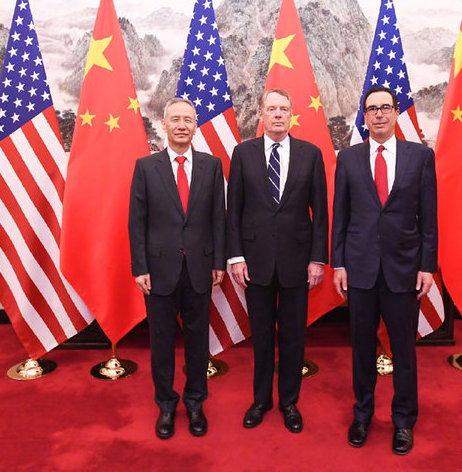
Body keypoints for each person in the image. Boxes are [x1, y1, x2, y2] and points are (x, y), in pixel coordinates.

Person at [331, 87, 437, 454]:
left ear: (395, 113)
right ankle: (362, 416)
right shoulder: (348, 158)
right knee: (361, 348)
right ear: (364, 116)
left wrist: (427, 266)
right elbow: (340, 218)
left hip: (404, 270)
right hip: (359, 271)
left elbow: (429, 219)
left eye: (385, 108)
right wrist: (339, 263)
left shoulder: (420, 157)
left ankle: (404, 421)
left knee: (404, 351)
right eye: (371, 109)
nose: (378, 115)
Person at [226, 89, 328, 433]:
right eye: (272, 109)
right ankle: (260, 400)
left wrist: (318, 258)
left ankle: (289, 402)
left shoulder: (310, 154)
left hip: (299, 263)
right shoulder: (242, 154)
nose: (278, 115)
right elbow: (234, 211)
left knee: (294, 336)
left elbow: (321, 212)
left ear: (291, 115)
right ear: (261, 115)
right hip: (253, 263)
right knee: (262, 336)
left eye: (284, 109)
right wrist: (236, 256)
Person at [128, 97, 226, 439]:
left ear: (195, 125)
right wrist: (139, 267)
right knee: (162, 342)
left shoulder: (211, 166)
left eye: (188, 119)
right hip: (158, 271)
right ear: (165, 125)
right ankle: (166, 406)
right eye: (176, 119)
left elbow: (218, 218)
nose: (182, 125)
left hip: (200, 268)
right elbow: (136, 222)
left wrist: (218, 262)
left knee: (199, 342)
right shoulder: (145, 167)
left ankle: (196, 403)